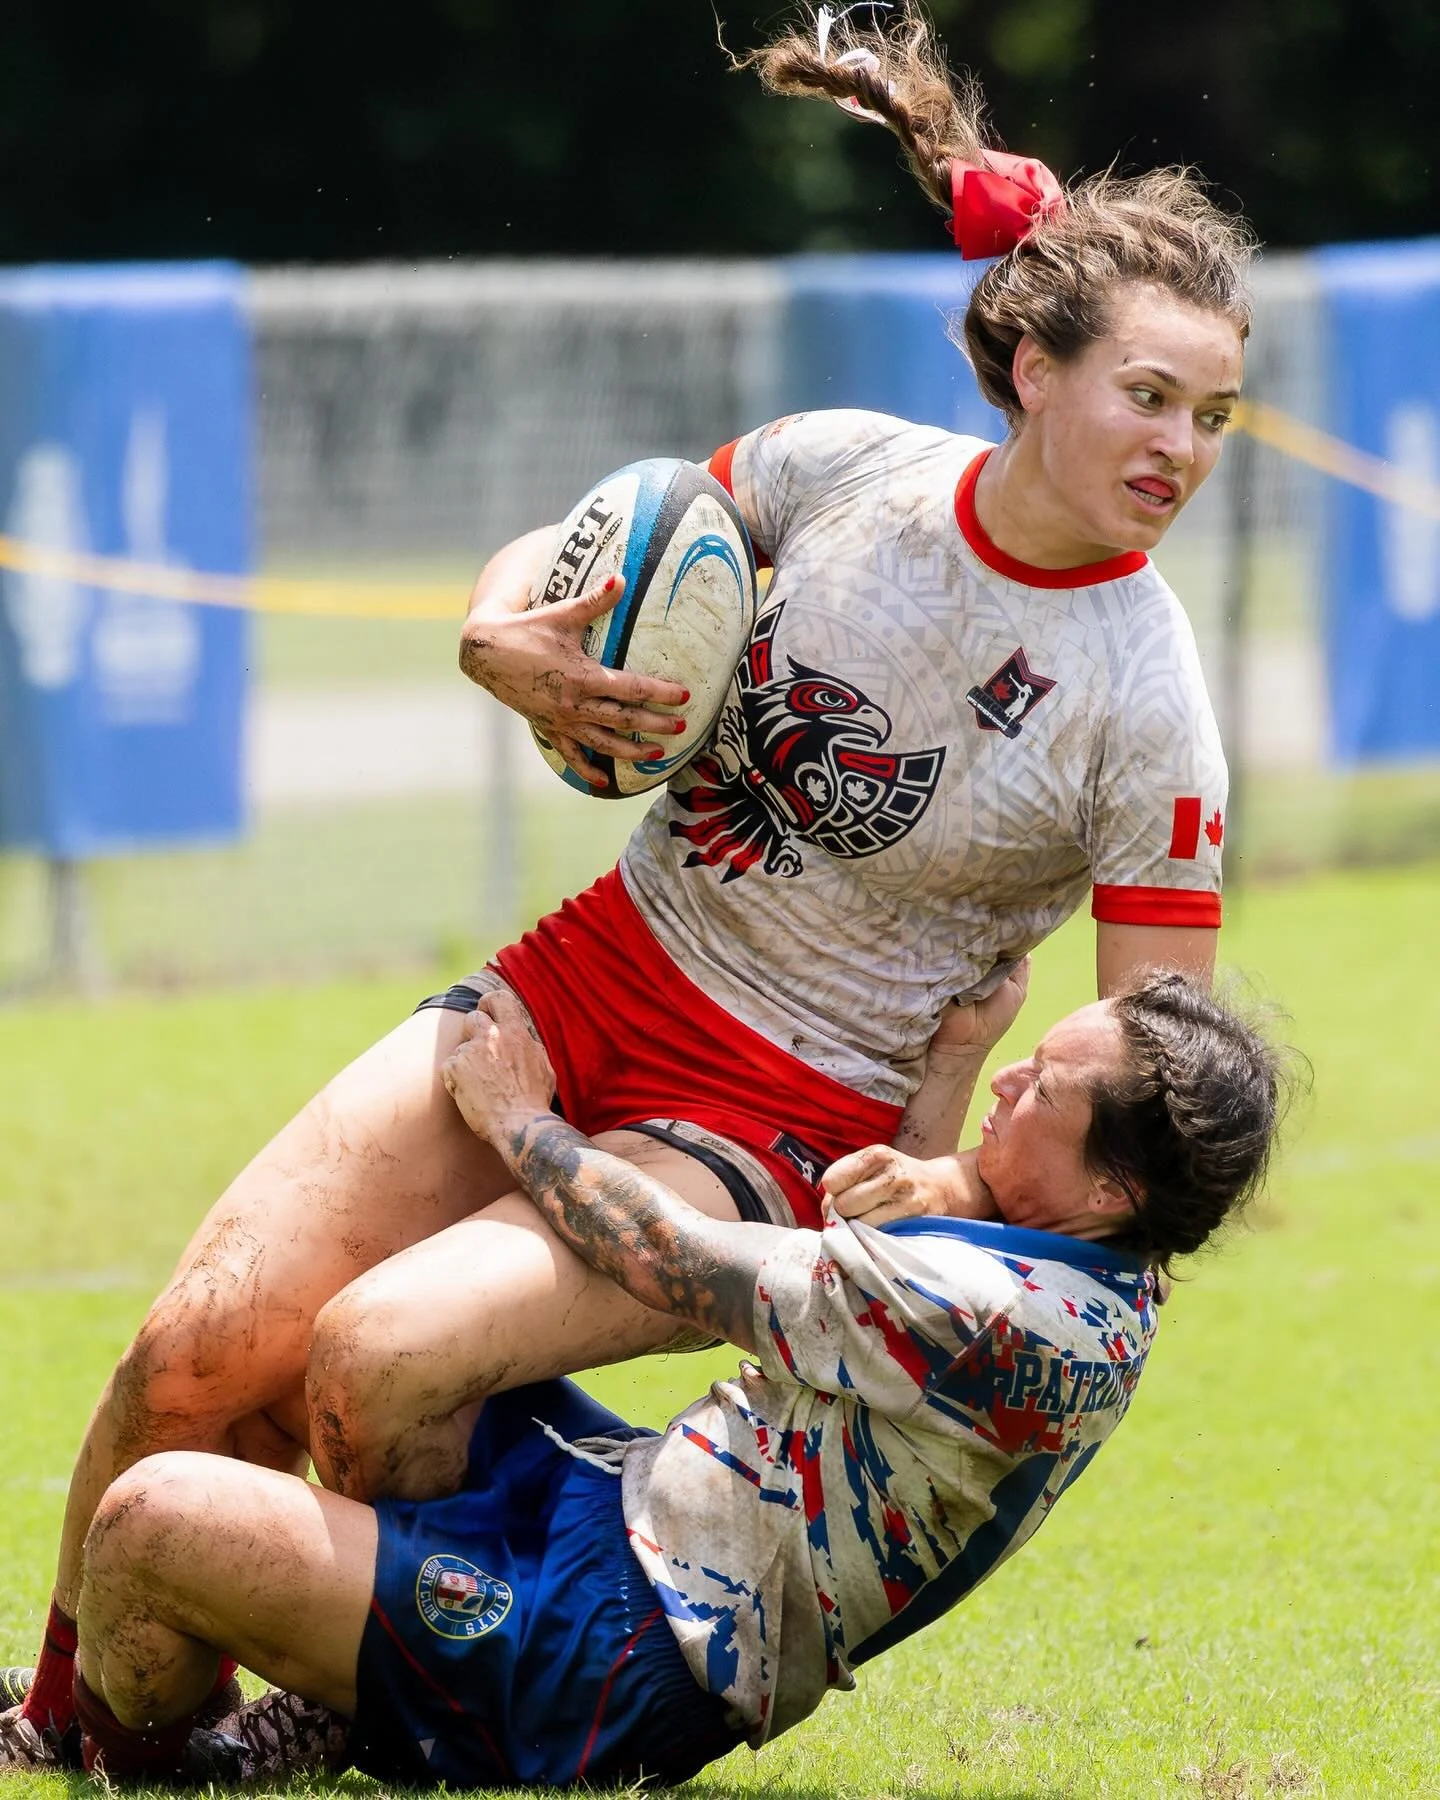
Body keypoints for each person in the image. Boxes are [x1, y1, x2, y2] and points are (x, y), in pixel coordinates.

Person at [4, 3, 1256, 1765]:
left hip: (774, 1114)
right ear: (1035, 366)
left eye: (1213, 415)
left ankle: (343, 1715)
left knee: (371, 1363)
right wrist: (501, 630)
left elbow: (1146, 1066)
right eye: (1150, 395)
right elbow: (607, 538)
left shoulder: (1148, 703)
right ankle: (72, 1725)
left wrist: (951, 1176)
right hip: (590, 967)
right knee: (199, 1348)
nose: (1182, 448)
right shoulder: (844, 471)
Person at [31, 972, 1283, 1788]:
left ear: (1114, 1187)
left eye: (1042, 1088)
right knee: (384, 1345)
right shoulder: (1106, 1261)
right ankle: (371, 1692)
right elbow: (901, 1221)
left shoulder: (1003, 1321)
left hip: (629, 1652)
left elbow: (676, 1259)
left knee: (152, 1526)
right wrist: (961, 1067)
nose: (1015, 1083)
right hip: (631, 1509)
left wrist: (520, 1119)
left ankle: (155, 1757)